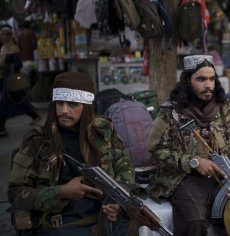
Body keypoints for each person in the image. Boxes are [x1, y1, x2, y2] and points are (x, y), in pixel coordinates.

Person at [8, 72, 135, 235]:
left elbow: (125, 170)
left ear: (86, 106)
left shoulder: (103, 132)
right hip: (62, 224)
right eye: (59, 103)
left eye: (72, 104)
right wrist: (61, 192)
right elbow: (15, 194)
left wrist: (118, 202)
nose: (64, 110)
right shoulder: (38, 141)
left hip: (106, 220)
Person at [147, 55, 230, 236]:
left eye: (211, 79)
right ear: (188, 80)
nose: (208, 85)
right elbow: (157, 151)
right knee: (194, 223)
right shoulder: (171, 112)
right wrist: (193, 162)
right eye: (201, 79)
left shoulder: (225, 109)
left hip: (223, 178)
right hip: (185, 179)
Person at [0, 25, 41, 137]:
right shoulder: (3, 48)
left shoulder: (14, 48)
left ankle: (1, 128)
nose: (5, 36)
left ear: (11, 35)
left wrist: (5, 66)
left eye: (7, 34)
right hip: (5, 80)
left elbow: (18, 64)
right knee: (18, 100)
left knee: (4, 104)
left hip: (12, 79)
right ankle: (34, 115)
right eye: (3, 34)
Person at [17, 21, 38, 85]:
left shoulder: (19, 35)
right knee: (34, 78)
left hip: (24, 60)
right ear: (29, 26)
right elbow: (35, 46)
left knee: (25, 79)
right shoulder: (32, 33)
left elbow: (19, 48)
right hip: (32, 59)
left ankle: (27, 92)